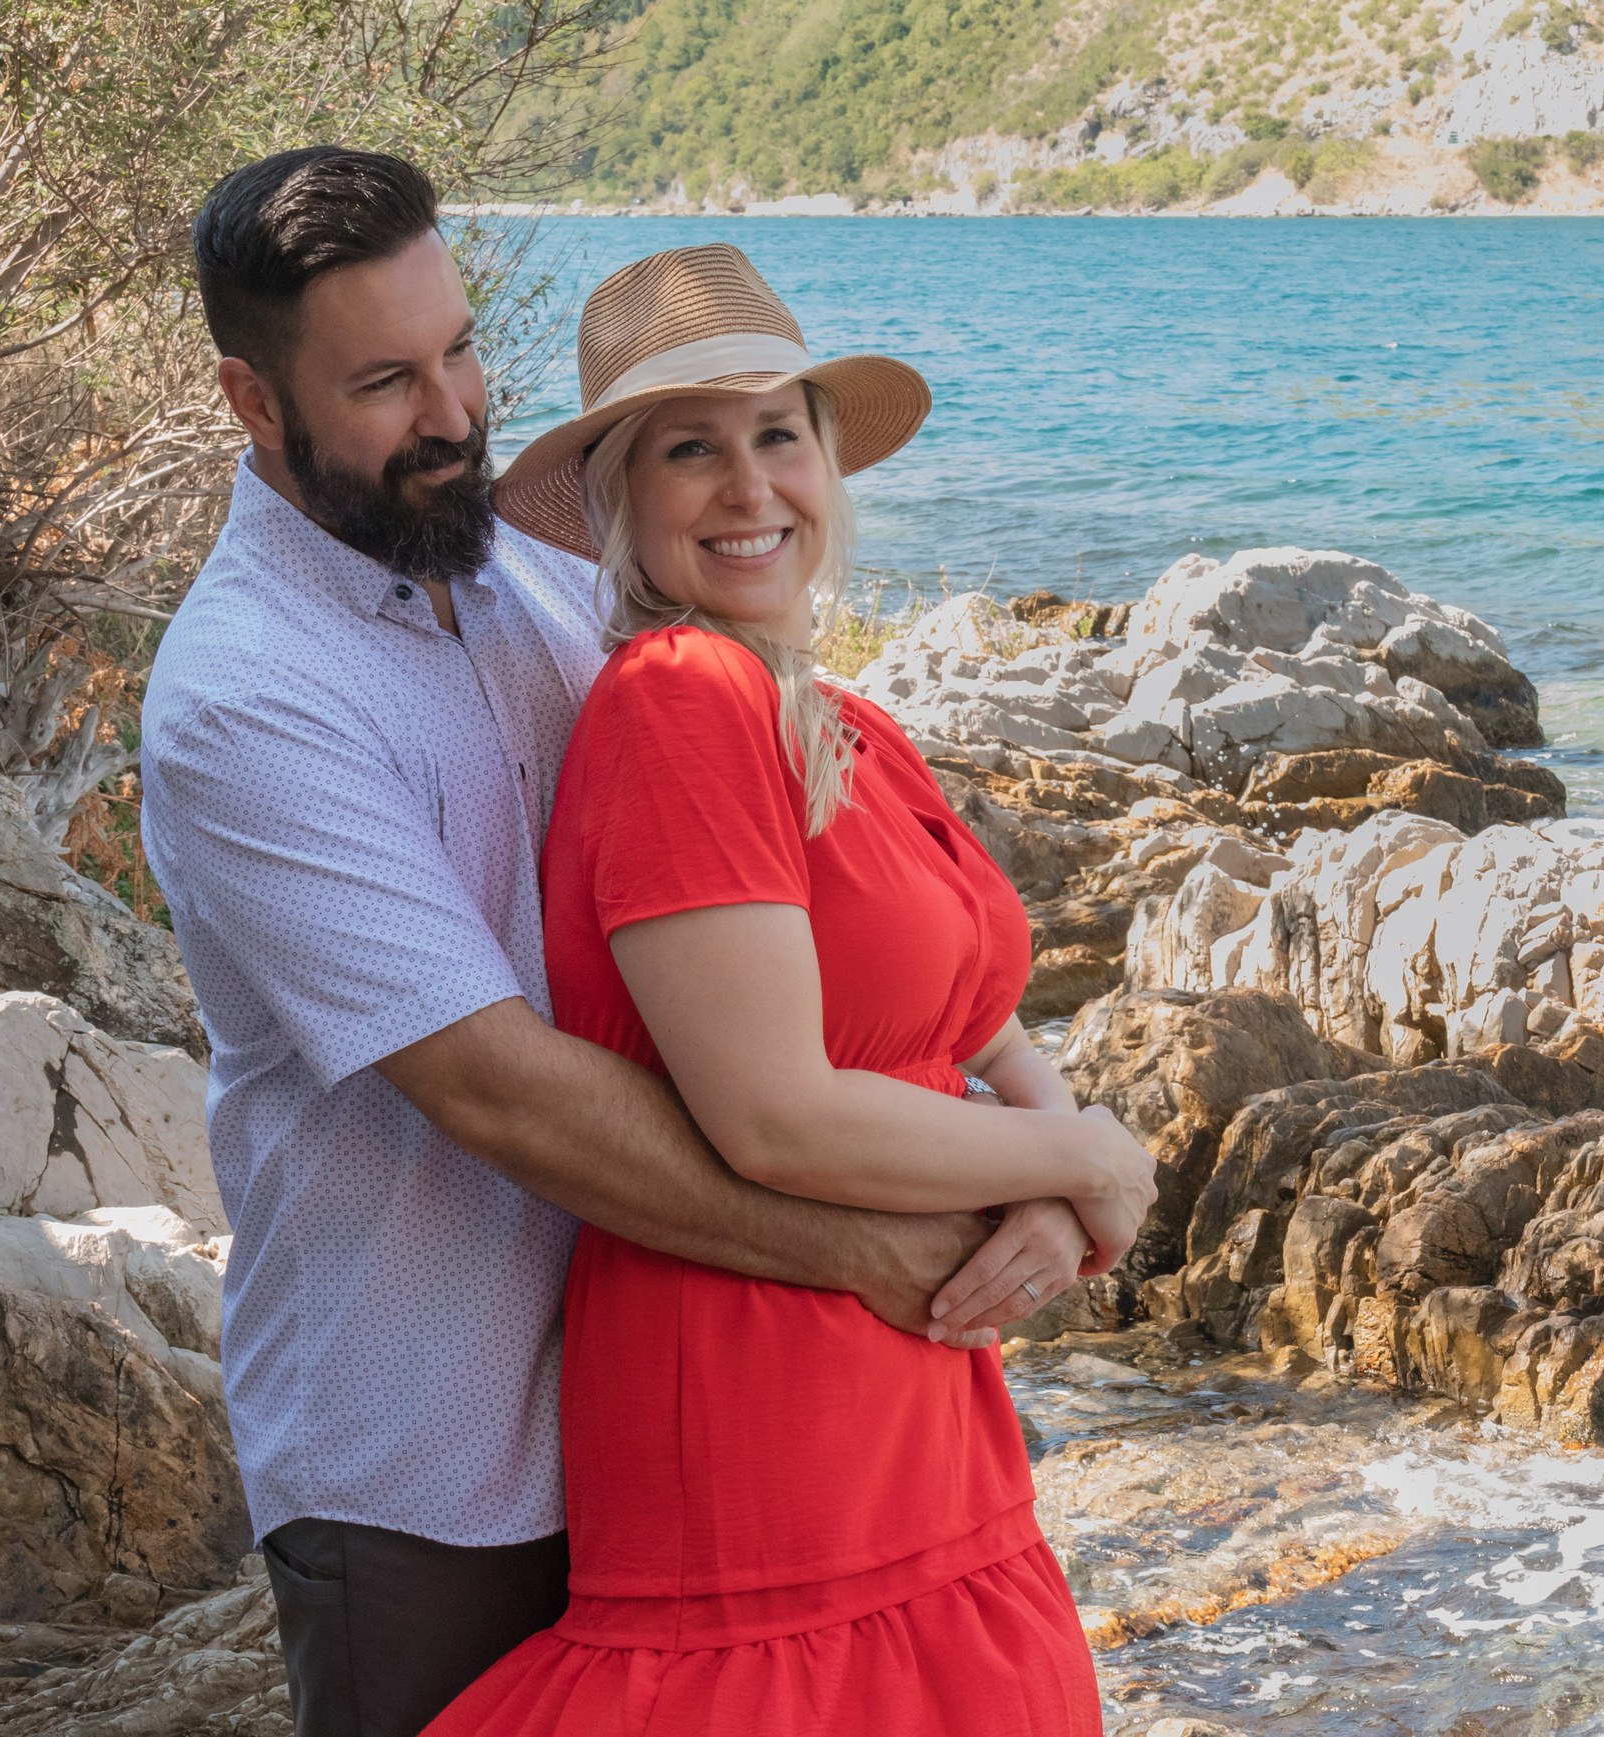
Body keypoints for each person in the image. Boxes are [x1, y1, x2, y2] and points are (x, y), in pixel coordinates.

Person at [143, 151, 1082, 1737]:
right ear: (253, 400)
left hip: (676, 1408)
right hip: (433, 1459)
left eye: (458, 351)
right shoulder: (245, 701)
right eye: (382, 381)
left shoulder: (534, 586)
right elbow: (502, 1090)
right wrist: (870, 1246)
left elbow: (801, 919)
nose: (448, 414)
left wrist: (1036, 1152)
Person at [415, 243, 1151, 1734]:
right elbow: (774, 1116)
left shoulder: (847, 722)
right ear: (621, 501)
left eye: (777, 435)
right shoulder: (679, 701)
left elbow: (976, 1013)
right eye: (692, 449)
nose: (749, 486)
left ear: (827, 461)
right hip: (758, 1377)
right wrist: (1091, 1157)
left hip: (914, 1374)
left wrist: (1053, 1183)